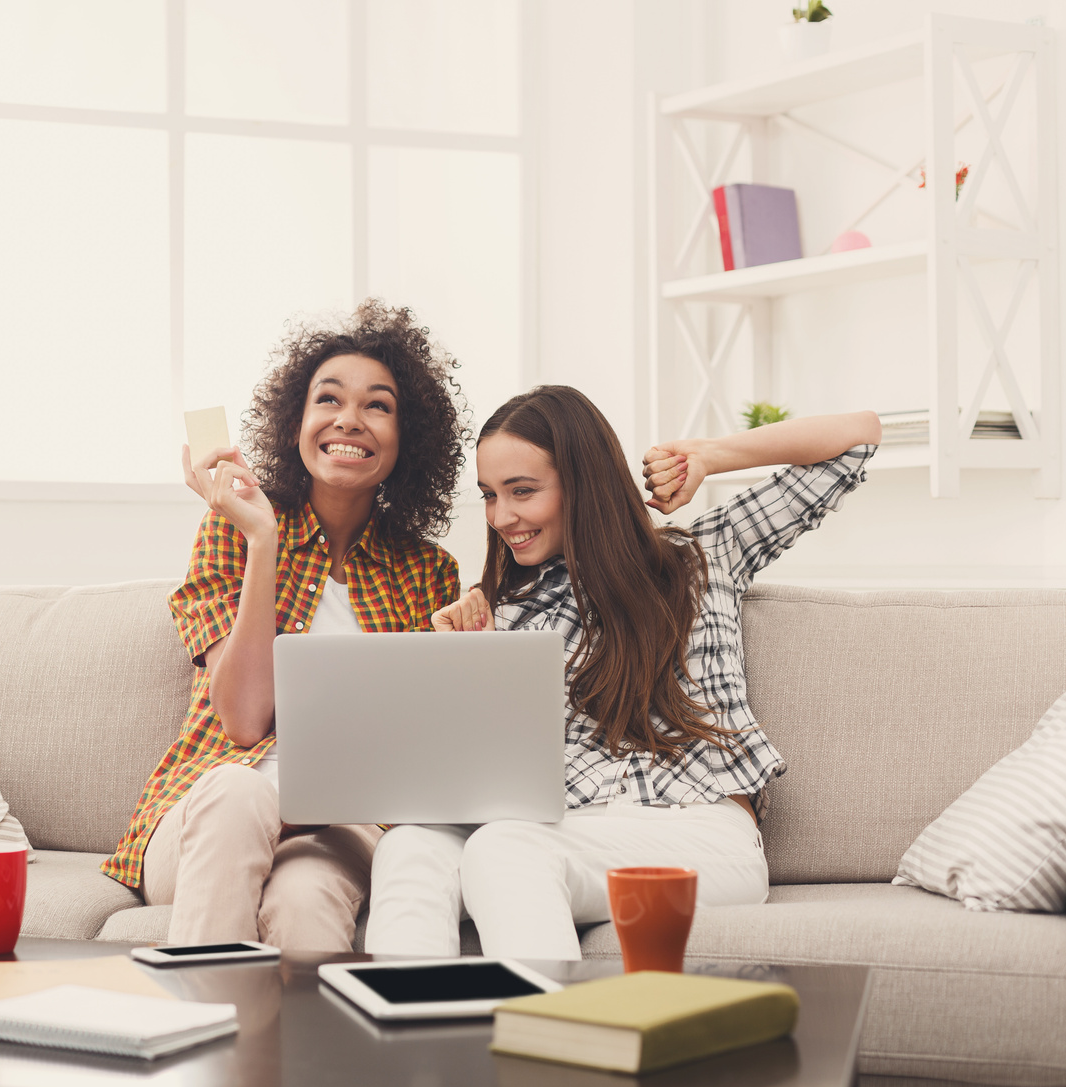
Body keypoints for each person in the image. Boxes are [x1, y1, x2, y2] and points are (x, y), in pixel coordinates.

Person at [364, 384, 881, 959]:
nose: (501, 517)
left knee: (505, 848)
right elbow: (490, 788)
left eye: (523, 491)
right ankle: (407, 1044)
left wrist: (707, 457)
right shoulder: (505, 615)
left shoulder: (701, 558)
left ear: (582, 485)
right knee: (409, 846)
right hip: (569, 828)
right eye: (489, 495)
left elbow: (858, 436)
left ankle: (547, 1042)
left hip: (700, 830)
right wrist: (465, 669)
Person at [101, 301, 469, 951]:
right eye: (328, 399)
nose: (348, 419)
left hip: (337, 828)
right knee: (243, 790)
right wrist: (262, 540)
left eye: (377, 405)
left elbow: (415, 755)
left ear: (405, 437)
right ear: (296, 421)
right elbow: (243, 719)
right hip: (208, 816)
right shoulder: (233, 528)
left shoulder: (429, 572)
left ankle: (306, 1055)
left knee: (303, 903)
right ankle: (201, 1034)